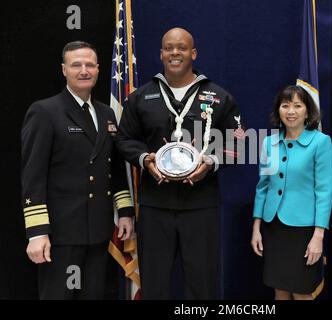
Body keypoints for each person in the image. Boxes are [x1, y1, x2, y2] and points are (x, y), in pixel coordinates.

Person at [116, 27, 244, 299]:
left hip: (201, 205)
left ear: (193, 53)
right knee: (154, 282)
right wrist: (146, 159)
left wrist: (210, 162)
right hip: (154, 206)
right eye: (169, 48)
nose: (176, 53)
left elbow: (239, 144)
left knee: (202, 283)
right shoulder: (140, 97)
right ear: (161, 53)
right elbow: (125, 140)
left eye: (182, 48)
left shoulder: (220, 97)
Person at [21, 41, 134, 299]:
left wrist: (125, 212)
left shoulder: (106, 114)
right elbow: (32, 176)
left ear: (98, 69)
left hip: (97, 229)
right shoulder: (45, 111)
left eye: (89, 65)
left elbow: (114, 167)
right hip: (60, 233)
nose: (84, 71)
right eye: (76, 65)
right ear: (64, 70)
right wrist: (37, 232)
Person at [251, 85, 332, 300]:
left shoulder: (321, 142)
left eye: (297, 105)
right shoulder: (269, 142)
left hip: (304, 230)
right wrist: (256, 227)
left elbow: (324, 191)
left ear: (308, 111)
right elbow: (263, 186)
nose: (291, 111)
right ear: (278, 110)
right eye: (285, 105)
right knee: (279, 289)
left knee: (301, 292)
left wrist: (318, 235)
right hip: (273, 227)